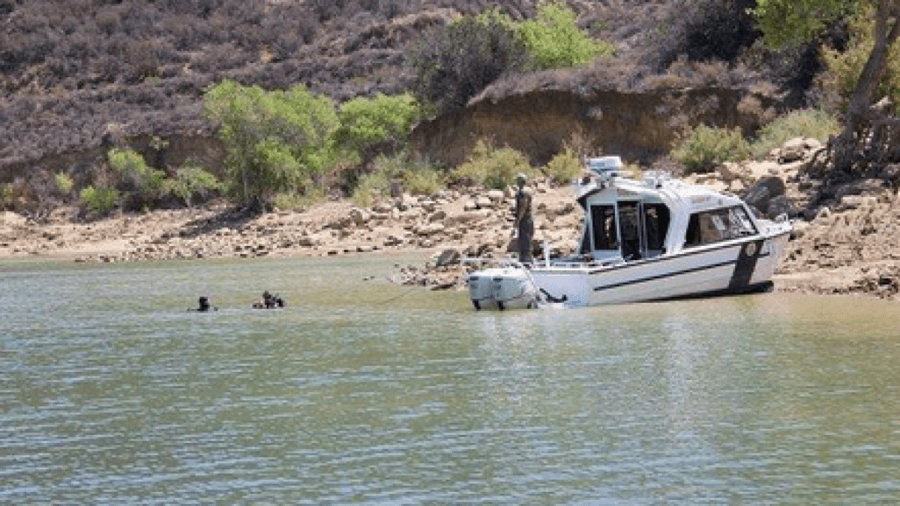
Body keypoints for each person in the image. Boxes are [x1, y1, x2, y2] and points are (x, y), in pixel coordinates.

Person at [512, 173, 534, 264]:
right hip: (529, 219)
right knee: (527, 241)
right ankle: (527, 260)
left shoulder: (522, 193)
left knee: (524, 241)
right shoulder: (528, 191)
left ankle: (526, 262)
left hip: (524, 219)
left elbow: (523, 208)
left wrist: (517, 222)